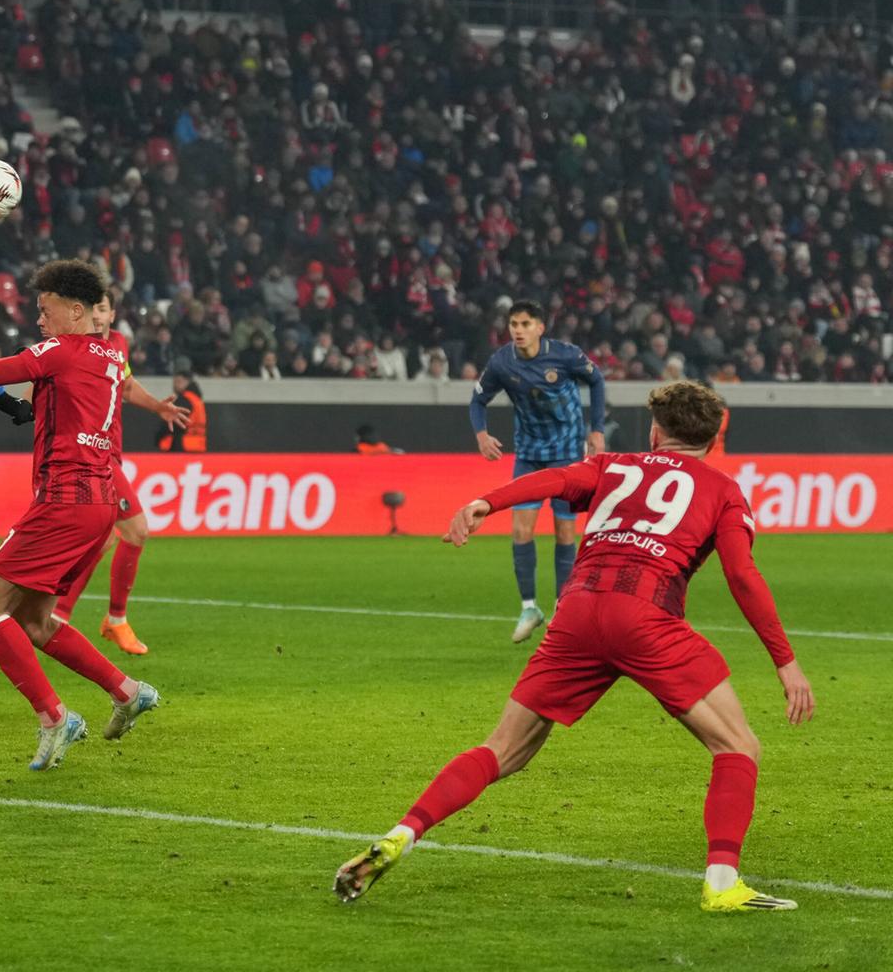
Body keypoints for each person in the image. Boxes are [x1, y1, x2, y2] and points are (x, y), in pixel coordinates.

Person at [335, 381, 815, 914]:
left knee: (503, 750)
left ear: (656, 431)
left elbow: (556, 479)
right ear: (713, 437)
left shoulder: (613, 465)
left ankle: (402, 832)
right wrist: (785, 662)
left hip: (578, 612)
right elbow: (742, 576)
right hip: (646, 617)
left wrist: (484, 503)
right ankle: (723, 883)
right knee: (738, 746)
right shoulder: (724, 490)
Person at [0, 260, 162, 770]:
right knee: (34, 619)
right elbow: (68, 400)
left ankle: (54, 717)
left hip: (63, 499)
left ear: (76, 311)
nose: (41, 322)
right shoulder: (111, 357)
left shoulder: (61, 350)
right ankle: (127, 689)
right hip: (99, 503)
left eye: (46, 312)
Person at [40, 292, 188, 655]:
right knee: (136, 532)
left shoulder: (117, 345)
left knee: (104, 539)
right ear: (83, 313)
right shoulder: (69, 348)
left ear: (112, 313)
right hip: (91, 456)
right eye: (96, 309)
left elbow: (126, 386)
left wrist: (158, 408)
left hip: (111, 456)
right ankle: (114, 619)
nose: (101, 316)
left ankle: (60, 614)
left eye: (106, 309)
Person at [470, 299, 609, 643]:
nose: (517, 330)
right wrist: (482, 435)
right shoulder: (502, 361)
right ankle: (529, 607)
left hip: (567, 456)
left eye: (524, 324)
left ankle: (563, 610)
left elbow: (597, 381)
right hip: (530, 455)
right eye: (513, 324)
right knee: (521, 531)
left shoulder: (565, 355)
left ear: (539, 328)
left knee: (564, 533)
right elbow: (477, 400)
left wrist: (597, 429)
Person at [155, 370, 206, 451]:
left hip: (182, 446)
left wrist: (158, 437)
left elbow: (173, 421)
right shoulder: (197, 400)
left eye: (178, 381)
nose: (175, 385)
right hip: (197, 445)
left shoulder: (185, 399)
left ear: (187, 382)